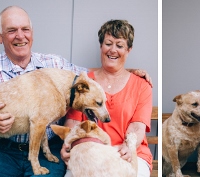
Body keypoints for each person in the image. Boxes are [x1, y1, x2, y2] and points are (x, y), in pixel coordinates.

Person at [0, 6, 151, 177]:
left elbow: (88, 80)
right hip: (3, 150)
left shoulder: (55, 64)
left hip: (47, 151)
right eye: (11, 30)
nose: (20, 36)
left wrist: (127, 71)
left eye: (25, 29)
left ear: (32, 33)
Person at [62, 19, 153, 177]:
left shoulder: (141, 86)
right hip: (89, 153)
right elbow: (73, 123)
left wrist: (127, 147)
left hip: (129, 155)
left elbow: (138, 128)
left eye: (119, 45)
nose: (113, 50)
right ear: (101, 46)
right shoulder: (84, 82)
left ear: (128, 50)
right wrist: (70, 143)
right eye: (108, 43)